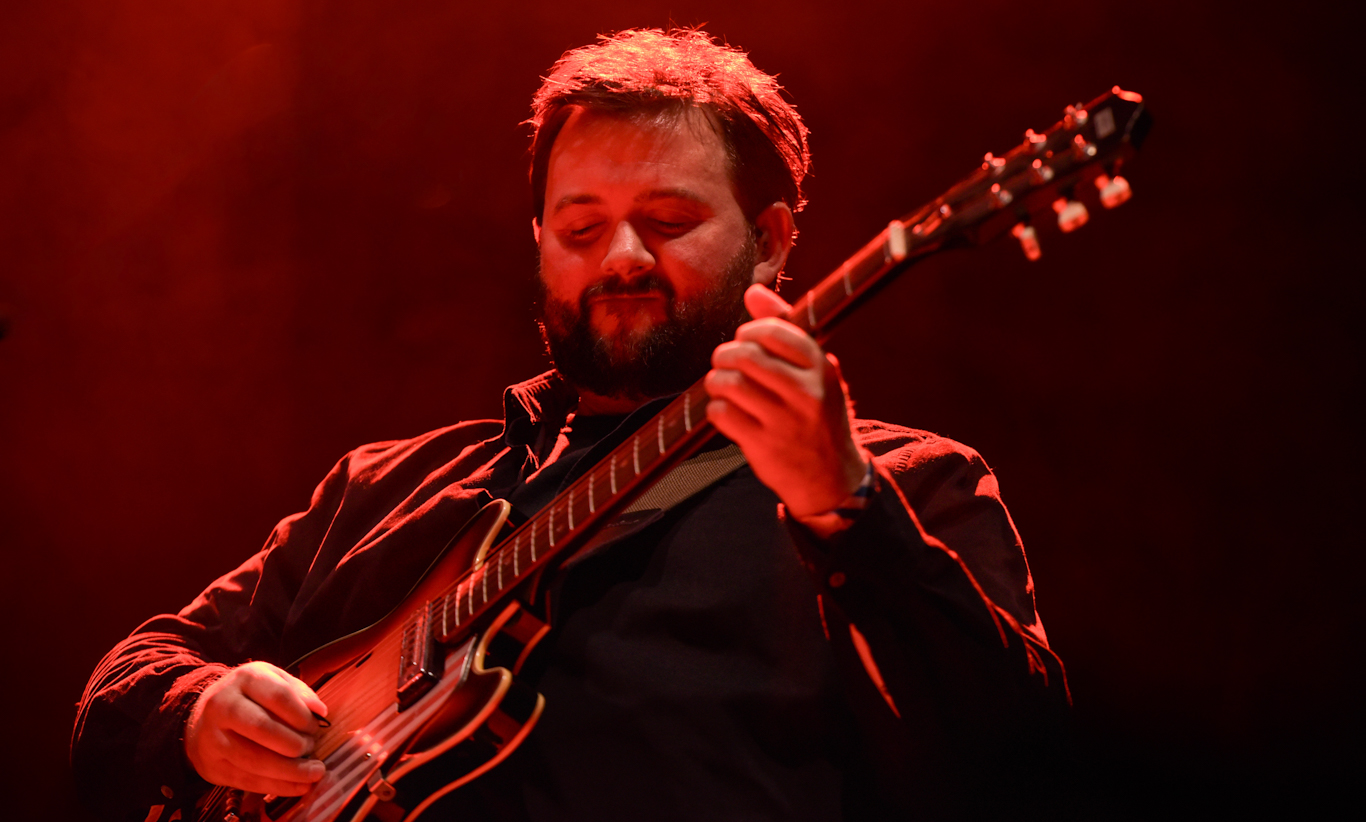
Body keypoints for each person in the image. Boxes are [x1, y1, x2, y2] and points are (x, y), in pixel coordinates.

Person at [72, 28, 1069, 821]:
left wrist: (847, 511)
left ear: (768, 242)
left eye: (669, 220)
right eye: (581, 227)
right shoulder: (384, 485)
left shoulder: (903, 481)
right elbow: (125, 681)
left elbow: (1017, 767)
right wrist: (194, 715)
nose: (620, 257)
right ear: (540, 244)